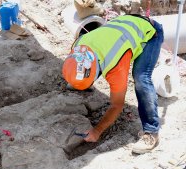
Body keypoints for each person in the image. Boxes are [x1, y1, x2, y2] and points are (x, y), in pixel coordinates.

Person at [62, 14, 164, 154]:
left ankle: (151, 132)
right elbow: (75, 65)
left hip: (151, 32)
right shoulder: (79, 45)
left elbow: (117, 105)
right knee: (77, 78)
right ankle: (82, 83)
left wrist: (97, 130)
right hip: (126, 23)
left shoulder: (116, 65)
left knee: (141, 78)